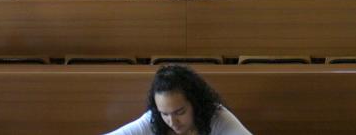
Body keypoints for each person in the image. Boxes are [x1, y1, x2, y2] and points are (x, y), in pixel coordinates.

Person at [105, 65, 252, 135]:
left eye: (180, 112)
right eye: (165, 114)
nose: (172, 122)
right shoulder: (153, 120)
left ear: (195, 103)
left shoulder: (217, 117)